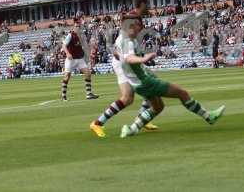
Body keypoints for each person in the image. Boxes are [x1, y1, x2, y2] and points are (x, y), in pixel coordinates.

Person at [91, 15, 225, 138]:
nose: (141, 27)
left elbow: (116, 53)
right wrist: (143, 59)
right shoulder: (129, 42)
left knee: (158, 107)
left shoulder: (121, 39)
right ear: (131, 26)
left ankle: (132, 129)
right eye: (138, 25)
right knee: (182, 93)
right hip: (145, 82)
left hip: (137, 84)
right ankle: (209, 117)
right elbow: (130, 58)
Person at [90, 0, 158, 137]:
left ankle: (142, 120)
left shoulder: (135, 17)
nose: (150, 6)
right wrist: (122, 53)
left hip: (127, 58)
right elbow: (122, 38)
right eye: (148, 3)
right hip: (123, 61)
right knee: (128, 97)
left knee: (150, 83)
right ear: (142, 3)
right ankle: (97, 123)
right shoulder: (131, 17)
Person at [61, 18, 99, 101]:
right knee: (67, 77)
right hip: (71, 59)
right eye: (77, 26)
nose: (78, 27)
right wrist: (67, 53)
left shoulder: (81, 35)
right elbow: (64, 45)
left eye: (79, 26)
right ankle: (63, 95)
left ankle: (89, 94)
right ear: (74, 27)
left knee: (88, 73)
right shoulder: (70, 35)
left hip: (79, 58)